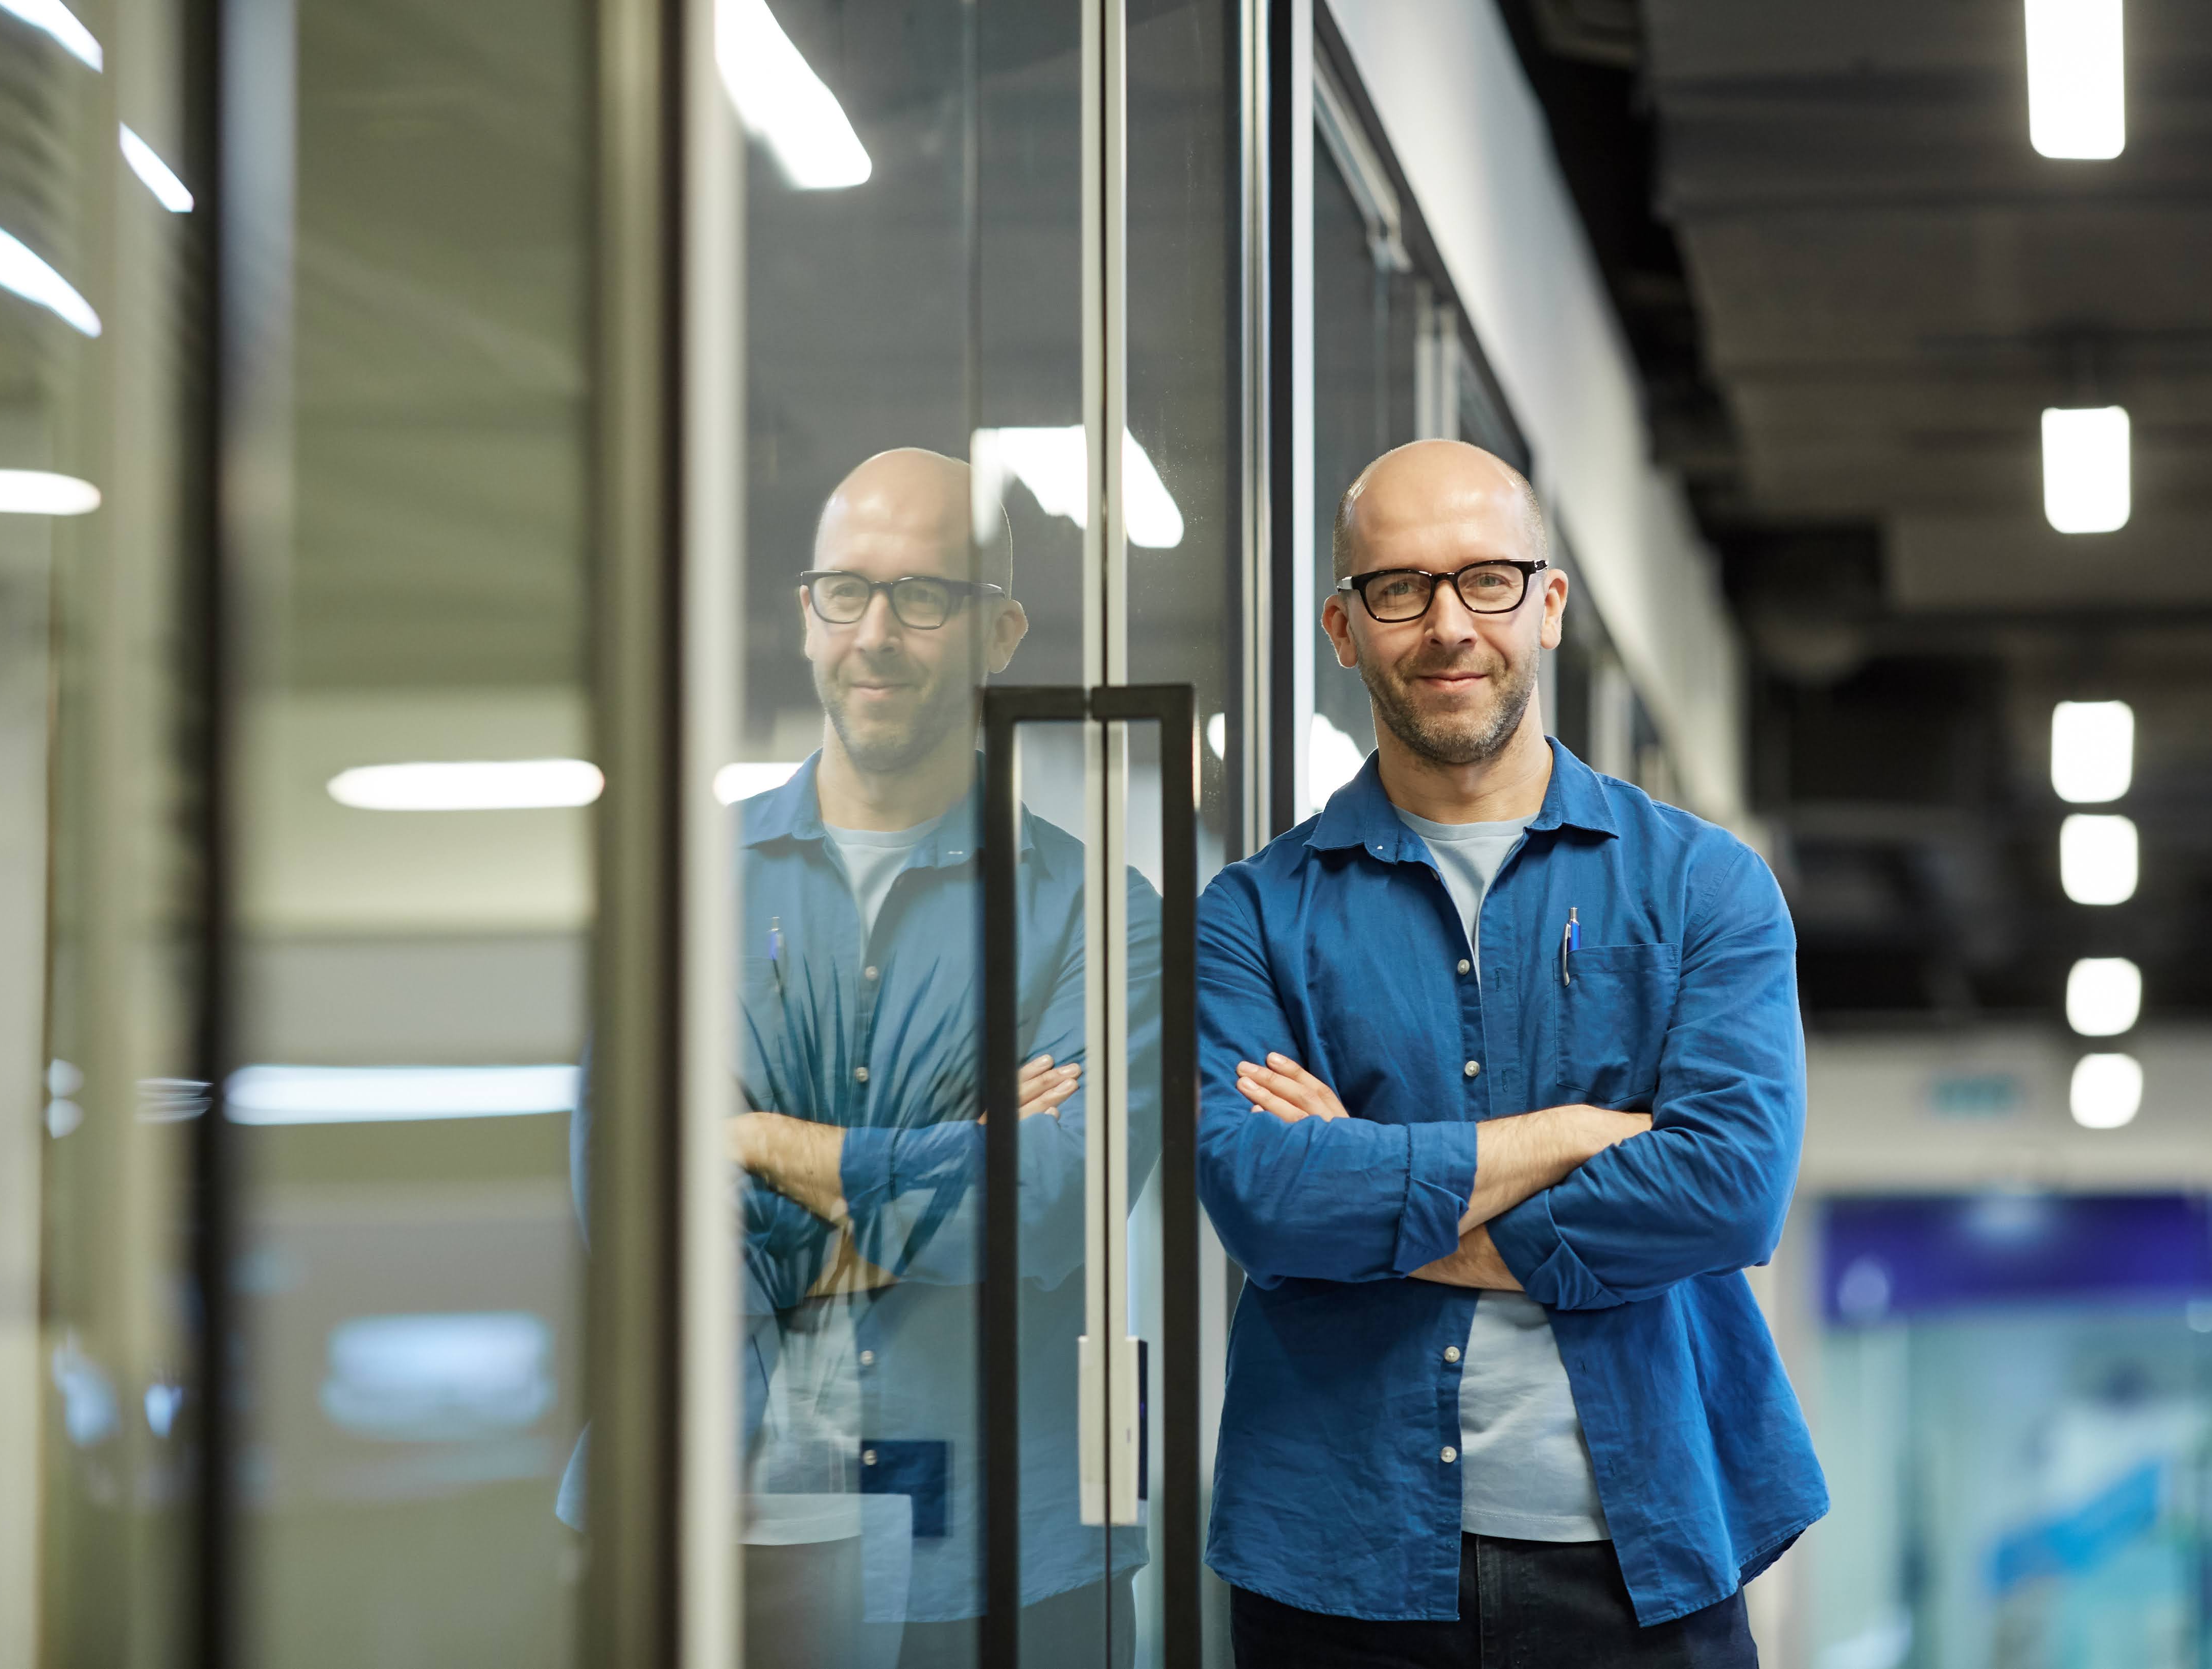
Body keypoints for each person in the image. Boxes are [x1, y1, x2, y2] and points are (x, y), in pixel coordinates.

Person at [1195, 439, 1825, 1666]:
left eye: (1484, 580)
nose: (1444, 625)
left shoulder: (1702, 886)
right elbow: (1263, 1198)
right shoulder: (1252, 913)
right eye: (1398, 589)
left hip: (1645, 1554)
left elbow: (1727, 1190)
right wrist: (1570, 1139)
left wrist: (1373, 1205)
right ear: (1340, 626)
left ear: (1545, 603)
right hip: (1333, 1558)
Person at [726, 447, 1159, 1669]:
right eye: (843, 591)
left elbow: (1044, 1206)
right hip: (715, 1532)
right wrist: (942, 1156)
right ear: (803, 612)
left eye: (922, 597)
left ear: (999, 631)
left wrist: (756, 1140)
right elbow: (634, 1203)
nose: (875, 633)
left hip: (1006, 1560)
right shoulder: (679, 882)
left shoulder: (1097, 915)